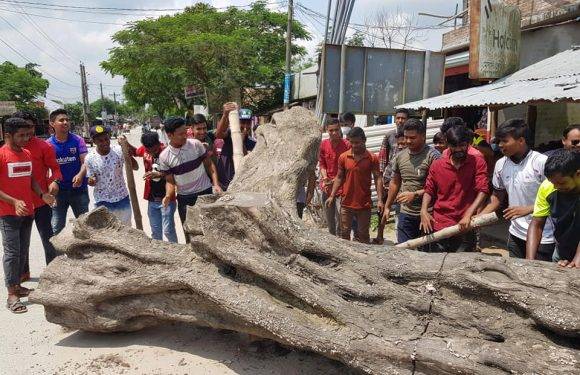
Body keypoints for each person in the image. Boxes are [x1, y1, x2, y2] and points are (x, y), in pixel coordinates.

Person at [0, 118, 55, 314]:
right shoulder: (1, 155)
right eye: (21, 135)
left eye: (28, 135)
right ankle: (11, 294)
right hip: (8, 214)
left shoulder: (26, 153)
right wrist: (14, 201)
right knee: (12, 253)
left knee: (23, 251)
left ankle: (18, 286)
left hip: (28, 211)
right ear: (8, 135)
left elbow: (31, 179)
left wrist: (42, 194)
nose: (26, 138)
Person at [479, 119, 555, 260]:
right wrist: (479, 217)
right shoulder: (500, 165)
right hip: (515, 234)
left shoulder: (541, 162)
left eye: (504, 141)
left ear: (521, 141)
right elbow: (496, 197)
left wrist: (528, 208)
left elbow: (558, 198)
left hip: (544, 236)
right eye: (499, 141)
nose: (500, 145)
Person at [420, 126, 489, 252]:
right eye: (454, 146)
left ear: (469, 144)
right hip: (440, 223)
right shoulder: (437, 165)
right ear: (447, 144)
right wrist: (424, 210)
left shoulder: (477, 162)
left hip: (465, 225)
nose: (458, 150)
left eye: (462, 145)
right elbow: (429, 189)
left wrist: (469, 213)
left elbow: (483, 190)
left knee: (462, 267)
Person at [12, 111, 62, 280]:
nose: (27, 132)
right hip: (18, 204)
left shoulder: (44, 146)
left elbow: (55, 168)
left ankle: (53, 274)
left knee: (48, 239)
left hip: (41, 202)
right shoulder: (8, 149)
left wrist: (55, 181)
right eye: (23, 128)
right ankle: (23, 274)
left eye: (30, 127)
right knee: (20, 243)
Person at [382, 119, 439, 245]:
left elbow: (438, 186)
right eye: (406, 137)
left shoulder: (433, 156)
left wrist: (415, 194)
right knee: (404, 252)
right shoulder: (400, 156)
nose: (408, 141)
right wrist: (387, 207)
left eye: (412, 138)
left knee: (426, 255)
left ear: (423, 136)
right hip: (406, 213)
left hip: (428, 214)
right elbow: (395, 183)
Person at [159, 117, 222, 226]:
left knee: (212, 227)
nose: (185, 136)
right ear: (169, 135)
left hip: (205, 192)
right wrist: (168, 195)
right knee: (190, 232)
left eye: (185, 132)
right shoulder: (164, 157)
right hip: (185, 199)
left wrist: (216, 184)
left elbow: (209, 165)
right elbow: (170, 181)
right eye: (180, 134)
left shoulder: (195, 145)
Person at [325, 127, 383, 244]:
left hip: (364, 203)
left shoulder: (372, 158)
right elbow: (339, 177)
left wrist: (380, 200)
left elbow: (378, 178)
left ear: (364, 140)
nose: (354, 145)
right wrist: (332, 195)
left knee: (363, 235)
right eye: (351, 142)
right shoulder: (344, 157)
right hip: (346, 202)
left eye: (357, 142)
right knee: (344, 233)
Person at [526, 149, 580, 267]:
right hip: (562, 252)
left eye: (561, 183)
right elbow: (537, 224)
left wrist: (577, 261)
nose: (556, 187)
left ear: (578, 174)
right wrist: (529, 262)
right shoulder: (548, 187)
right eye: (552, 182)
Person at [124, 132, 178, 243]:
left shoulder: (168, 151)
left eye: (154, 150)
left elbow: (176, 171)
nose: (152, 153)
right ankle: (159, 255)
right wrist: (126, 143)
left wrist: (159, 174)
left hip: (167, 198)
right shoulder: (144, 150)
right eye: (149, 151)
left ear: (158, 143)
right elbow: (135, 152)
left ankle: (176, 252)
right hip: (152, 199)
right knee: (155, 231)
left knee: (168, 231)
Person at [46, 109, 90, 234]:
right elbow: (45, 169)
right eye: (61, 120)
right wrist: (51, 182)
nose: (65, 122)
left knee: (84, 226)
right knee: (56, 228)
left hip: (79, 190)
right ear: (52, 123)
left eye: (67, 120)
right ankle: (57, 254)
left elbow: (85, 162)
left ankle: (85, 253)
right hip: (59, 192)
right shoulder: (48, 144)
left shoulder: (78, 140)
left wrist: (81, 174)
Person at [85, 124, 138, 225]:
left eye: (106, 139)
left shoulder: (118, 151)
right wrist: (91, 181)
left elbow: (135, 167)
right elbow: (91, 179)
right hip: (102, 202)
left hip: (122, 199)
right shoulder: (90, 158)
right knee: (105, 234)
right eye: (100, 140)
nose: (105, 142)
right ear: (94, 141)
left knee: (125, 231)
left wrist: (126, 150)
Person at [375, 108, 409, 244]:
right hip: (389, 178)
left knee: (401, 209)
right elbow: (383, 157)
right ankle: (380, 235)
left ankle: (401, 238)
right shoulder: (389, 135)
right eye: (398, 118)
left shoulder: (411, 136)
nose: (400, 120)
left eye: (403, 118)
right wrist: (382, 178)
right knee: (382, 207)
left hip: (404, 178)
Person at [213, 103, 257, 190]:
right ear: (237, 121)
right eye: (242, 122)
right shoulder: (230, 133)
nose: (245, 126)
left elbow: (248, 161)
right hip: (223, 182)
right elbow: (219, 134)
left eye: (248, 123)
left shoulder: (253, 143)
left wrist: (241, 141)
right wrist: (225, 115)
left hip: (240, 184)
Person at [318, 119, 351, 236]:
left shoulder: (347, 145)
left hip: (342, 189)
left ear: (340, 130)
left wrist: (335, 180)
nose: (334, 133)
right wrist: (325, 177)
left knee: (341, 222)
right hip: (327, 188)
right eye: (331, 130)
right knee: (330, 223)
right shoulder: (323, 144)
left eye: (336, 130)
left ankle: (342, 244)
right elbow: (322, 164)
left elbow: (349, 168)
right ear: (327, 130)